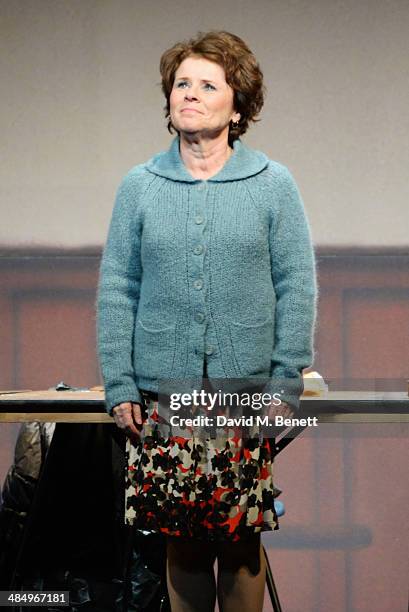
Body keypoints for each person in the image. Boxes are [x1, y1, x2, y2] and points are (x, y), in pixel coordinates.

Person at [97, 30, 317, 612]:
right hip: (165, 395)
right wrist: (118, 381)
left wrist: (285, 383)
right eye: (181, 84)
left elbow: (296, 286)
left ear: (237, 106)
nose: (189, 94)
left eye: (207, 85)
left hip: (243, 395)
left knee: (240, 539)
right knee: (182, 543)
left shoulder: (273, 185)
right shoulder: (139, 187)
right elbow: (119, 286)